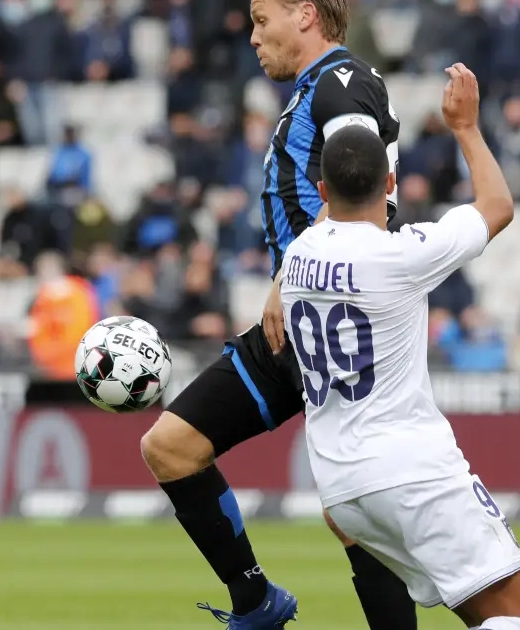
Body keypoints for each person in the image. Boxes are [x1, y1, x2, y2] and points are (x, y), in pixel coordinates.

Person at [138, 1, 414, 629]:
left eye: (263, 20)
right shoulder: (313, 91)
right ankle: (255, 602)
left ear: (306, 14)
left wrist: (292, 272)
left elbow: (363, 181)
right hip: (296, 326)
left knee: (354, 512)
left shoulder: (343, 81)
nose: (254, 36)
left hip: (339, 323)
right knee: (172, 447)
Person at [280, 65, 520, 630]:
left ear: (321, 191)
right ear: (391, 184)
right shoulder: (402, 255)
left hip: (341, 488)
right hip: (410, 469)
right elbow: (497, 205)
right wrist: (465, 127)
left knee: (482, 612)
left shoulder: (297, 257)